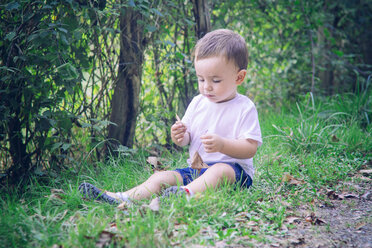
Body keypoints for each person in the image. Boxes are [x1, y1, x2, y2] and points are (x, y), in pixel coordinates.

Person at [79, 29, 262, 205]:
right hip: (196, 171)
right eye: (201, 79)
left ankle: (185, 194)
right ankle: (123, 197)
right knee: (161, 177)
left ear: (239, 77)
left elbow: (250, 148)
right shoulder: (198, 103)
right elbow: (187, 139)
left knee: (219, 170)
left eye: (215, 80)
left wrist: (222, 145)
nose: (207, 87)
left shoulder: (244, 107)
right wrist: (181, 137)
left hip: (234, 173)